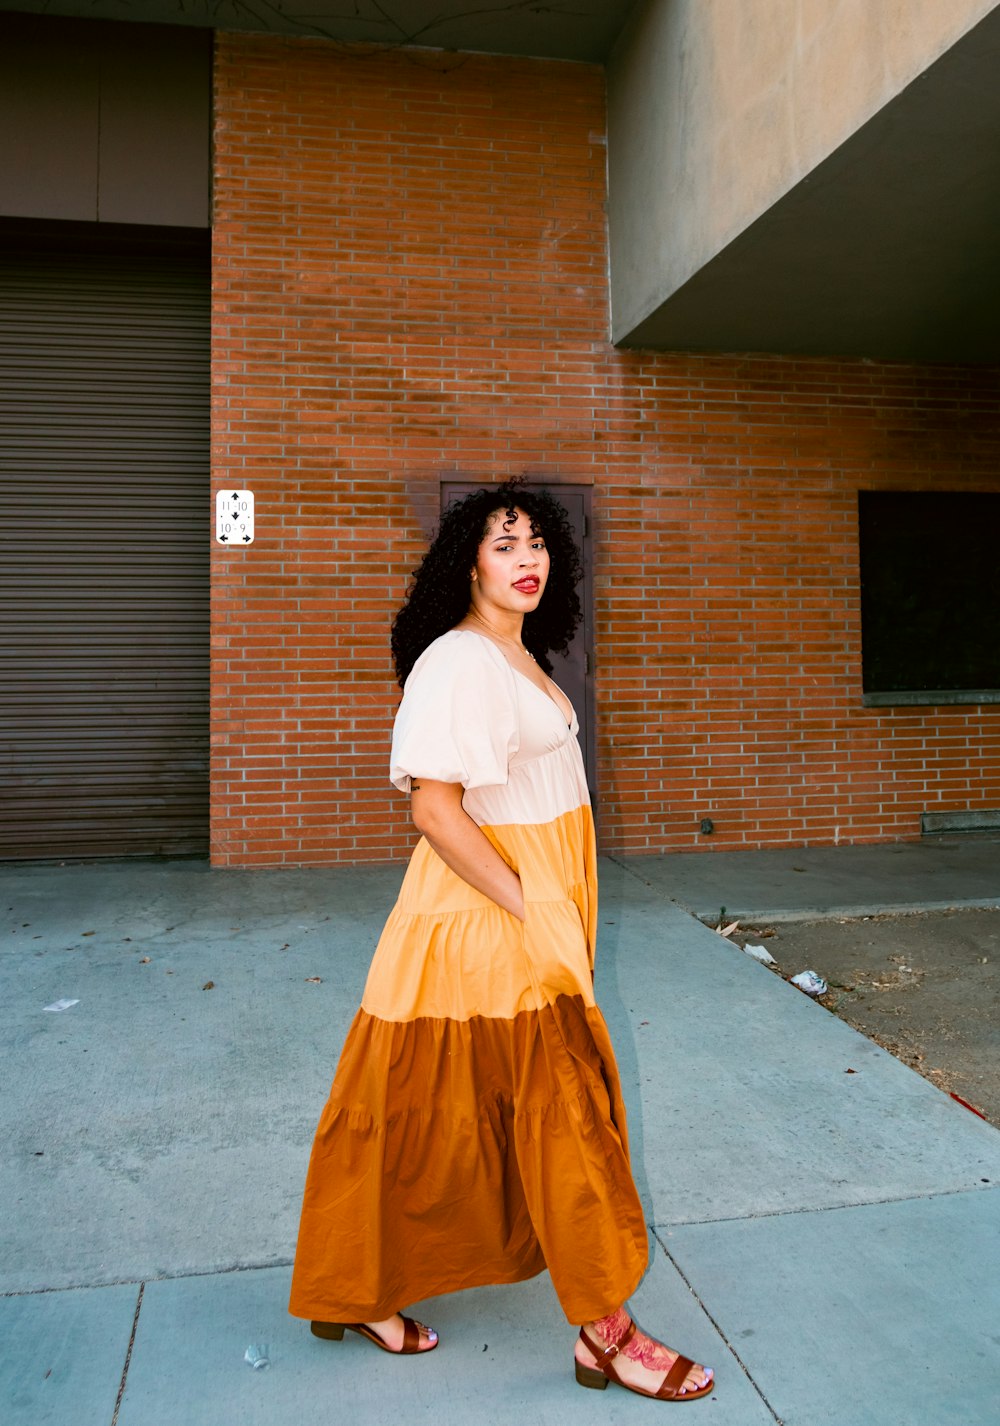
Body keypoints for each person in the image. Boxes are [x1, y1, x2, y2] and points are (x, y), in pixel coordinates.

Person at [288, 480, 714, 1402]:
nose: (526, 561)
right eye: (502, 544)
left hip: (522, 909)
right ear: (466, 563)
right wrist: (536, 909)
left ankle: (352, 1289)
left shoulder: (521, 655)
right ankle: (606, 1333)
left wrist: (558, 905)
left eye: (537, 544)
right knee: (568, 1113)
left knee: (425, 1113)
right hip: (487, 924)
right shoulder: (460, 661)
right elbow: (435, 810)